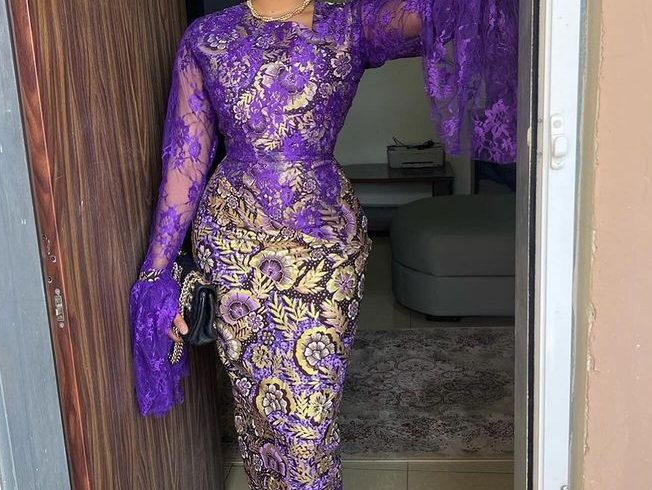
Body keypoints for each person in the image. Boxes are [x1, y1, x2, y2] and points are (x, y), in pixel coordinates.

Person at [129, 0, 517, 488]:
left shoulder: (350, 23)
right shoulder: (206, 37)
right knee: (260, 412)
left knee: (310, 421)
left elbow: (449, 10)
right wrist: (156, 271)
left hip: (325, 248)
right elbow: (185, 160)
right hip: (232, 246)